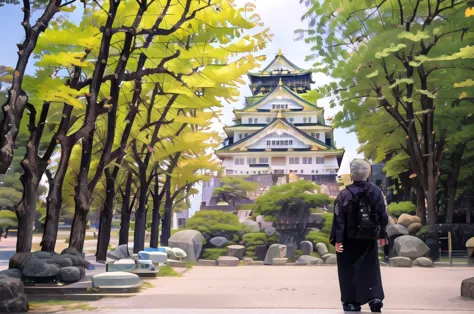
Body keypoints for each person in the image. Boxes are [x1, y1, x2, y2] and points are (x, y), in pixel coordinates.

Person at [330, 158, 389, 312]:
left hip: (349, 239)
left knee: (348, 270)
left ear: (351, 174)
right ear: (368, 173)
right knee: (370, 267)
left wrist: (338, 240)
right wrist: (383, 235)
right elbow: (383, 214)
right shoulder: (376, 191)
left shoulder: (344, 194)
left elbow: (339, 220)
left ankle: (351, 302)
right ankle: (374, 297)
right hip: (369, 237)